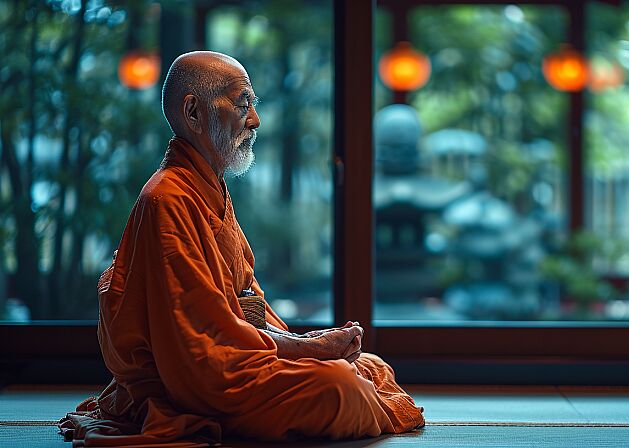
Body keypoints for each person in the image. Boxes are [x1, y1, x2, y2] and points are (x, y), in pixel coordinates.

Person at [59, 51, 424, 446]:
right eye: (242, 104)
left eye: (253, 105)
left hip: (233, 359)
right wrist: (309, 349)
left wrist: (306, 345)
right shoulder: (167, 200)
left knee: (370, 367)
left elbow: (246, 310)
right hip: (196, 380)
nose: (255, 120)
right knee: (339, 387)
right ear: (194, 112)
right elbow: (199, 349)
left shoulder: (210, 188)